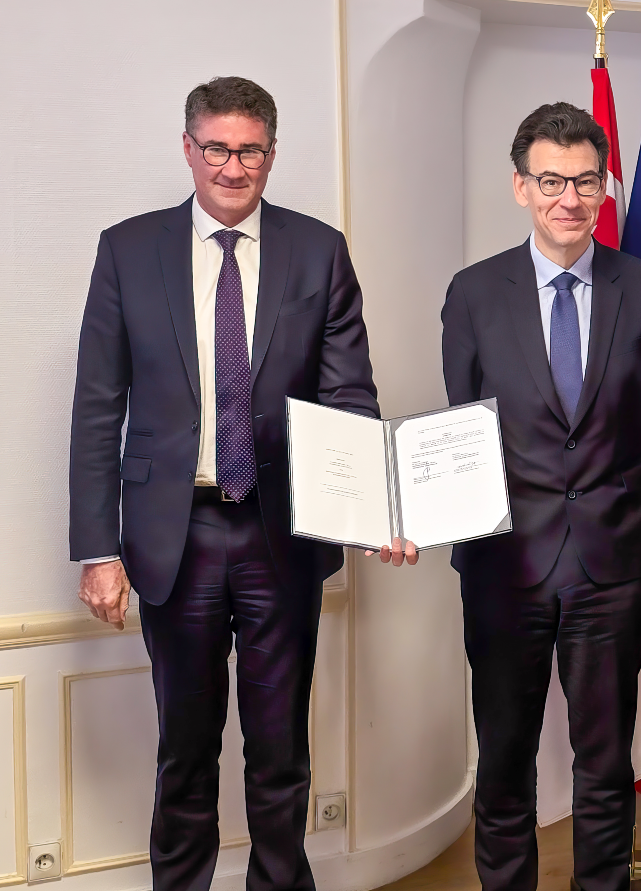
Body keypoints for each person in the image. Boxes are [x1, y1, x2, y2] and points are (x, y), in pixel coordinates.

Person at [69, 76, 378, 891]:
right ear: (188, 149)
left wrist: (370, 507)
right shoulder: (127, 250)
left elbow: (349, 398)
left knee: (281, 753)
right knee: (185, 752)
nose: (232, 167)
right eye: (217, 148)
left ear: (271, 155)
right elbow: (98, 409)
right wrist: (98, 550)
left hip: (284, 534)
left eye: (249, 150)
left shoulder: (320, 250)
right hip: (177, 539)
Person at [378, 102, 641, 891]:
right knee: (505, 758)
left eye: (586, 181)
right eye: (551, 180)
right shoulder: (474, 292)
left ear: (605, 187)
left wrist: (605, 508)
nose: (569, 198)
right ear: (520, 187)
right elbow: (463, 425)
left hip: (610, 564)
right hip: (503, 562)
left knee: (605, 760)